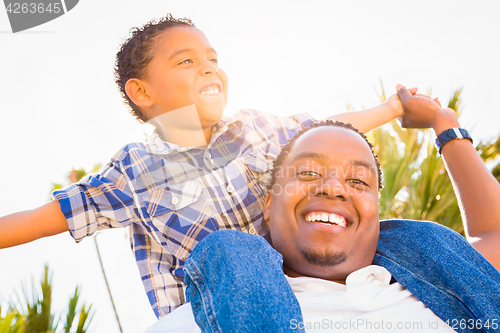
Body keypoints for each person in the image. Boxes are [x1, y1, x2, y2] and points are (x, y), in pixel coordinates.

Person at [0, 15, 413, 317]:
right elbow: (39, 220)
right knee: (234, 250)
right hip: (222, 313)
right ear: (142, 92)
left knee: (411, 235)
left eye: (212, 58)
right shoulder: (132, 171)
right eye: (186, 61)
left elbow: (328, 134)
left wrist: (392, 107)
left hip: (309, 287)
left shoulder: (256, 127)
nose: (209, 66)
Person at [144, 86, 500, 332]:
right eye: (309, 172)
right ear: (268, 204)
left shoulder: (442, 281)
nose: (332, 187)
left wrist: (444, 124)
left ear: (376, 212)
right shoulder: (195, 320)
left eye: (358, 181)